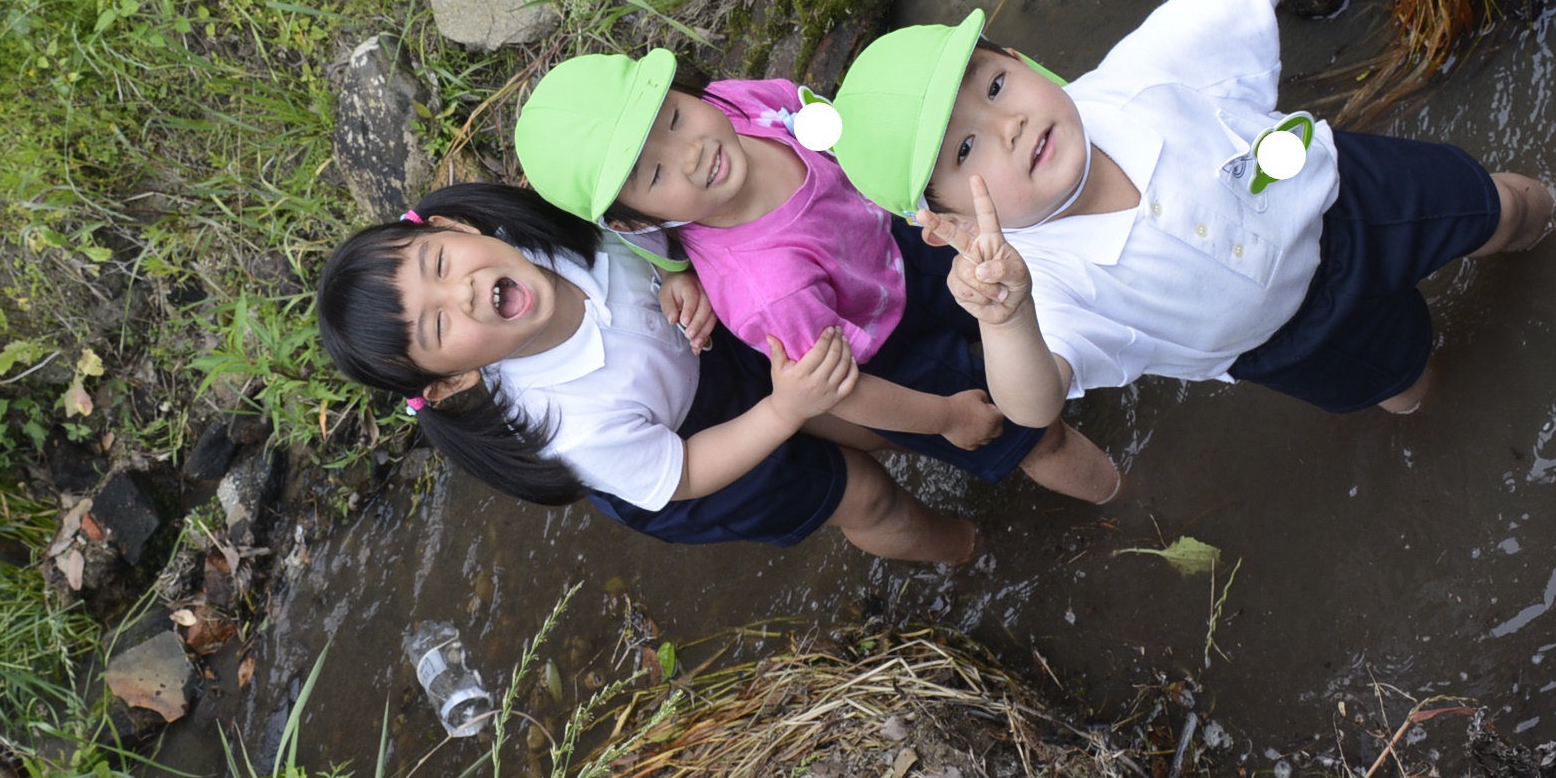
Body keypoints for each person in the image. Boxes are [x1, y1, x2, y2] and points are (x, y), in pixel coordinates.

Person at [812, 0, 1556, 420]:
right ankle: (1453, 404)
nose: (1007, 126)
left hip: (1351, 196)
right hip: (1290, 342)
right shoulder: (1047, 284)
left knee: (1501, 208)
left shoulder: (1144, 75)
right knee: (1404, 386)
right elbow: (1032, 404)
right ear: (942, 223)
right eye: (965, 151)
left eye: (996, 85)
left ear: (1019, 58)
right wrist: (1003, 320)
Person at [313, 181, 1053, 562]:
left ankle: (950, 435)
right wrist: (783, 414)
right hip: (683, 461)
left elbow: (646, 228)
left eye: (441, 265)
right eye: (441, 326)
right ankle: (965, 547)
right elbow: (686, 471)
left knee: (858, 413)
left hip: (710, 356)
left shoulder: (542, 230)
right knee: (861, 494)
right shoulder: (564, 426)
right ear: (448, 383)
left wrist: (678, 272)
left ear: (453, 229)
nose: (465, 292)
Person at [511, 52, 1121, 501]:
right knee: (1032, 432)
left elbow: (825, 127)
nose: (690, 154)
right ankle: (1123, 499)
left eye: (671, 119)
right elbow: (843, 388)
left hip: (901, 240)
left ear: (684, 89)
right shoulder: (765, 290)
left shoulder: (735, 105)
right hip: (891, 352)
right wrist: (945, 417)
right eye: (652, 175)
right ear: (638, 219)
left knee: (1033, 287)